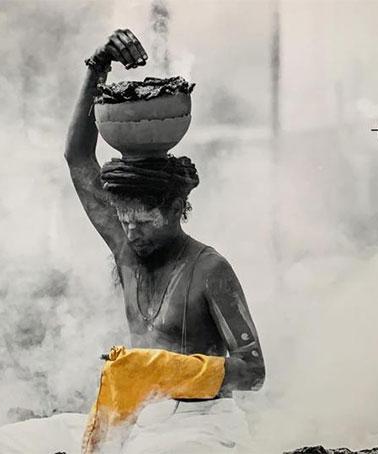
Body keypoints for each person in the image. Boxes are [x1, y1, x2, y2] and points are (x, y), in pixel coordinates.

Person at [64, 29, 266, 453]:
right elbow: (79, 159)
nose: (132, 231)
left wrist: (161, 369)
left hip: (204, 425)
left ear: (176, 209)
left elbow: (253, 370)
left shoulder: (210, 269)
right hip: (144, 420)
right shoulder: (126, 248)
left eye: (145, 221)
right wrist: (97, 66)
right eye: (125, 219)